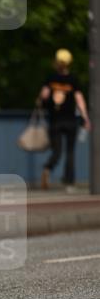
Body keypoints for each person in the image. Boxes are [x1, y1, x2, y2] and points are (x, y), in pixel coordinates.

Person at [36, 48, 90, 193]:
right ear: (69, 63)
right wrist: (85, 117)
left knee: (57, 150)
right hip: (70, 121)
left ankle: (48, 167)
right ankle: (69, 182)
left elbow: (44, 96)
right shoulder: (73, 79)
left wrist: (45, 98)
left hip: (55, 121)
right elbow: (79, 99)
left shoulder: (51, 78)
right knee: (70, 152)